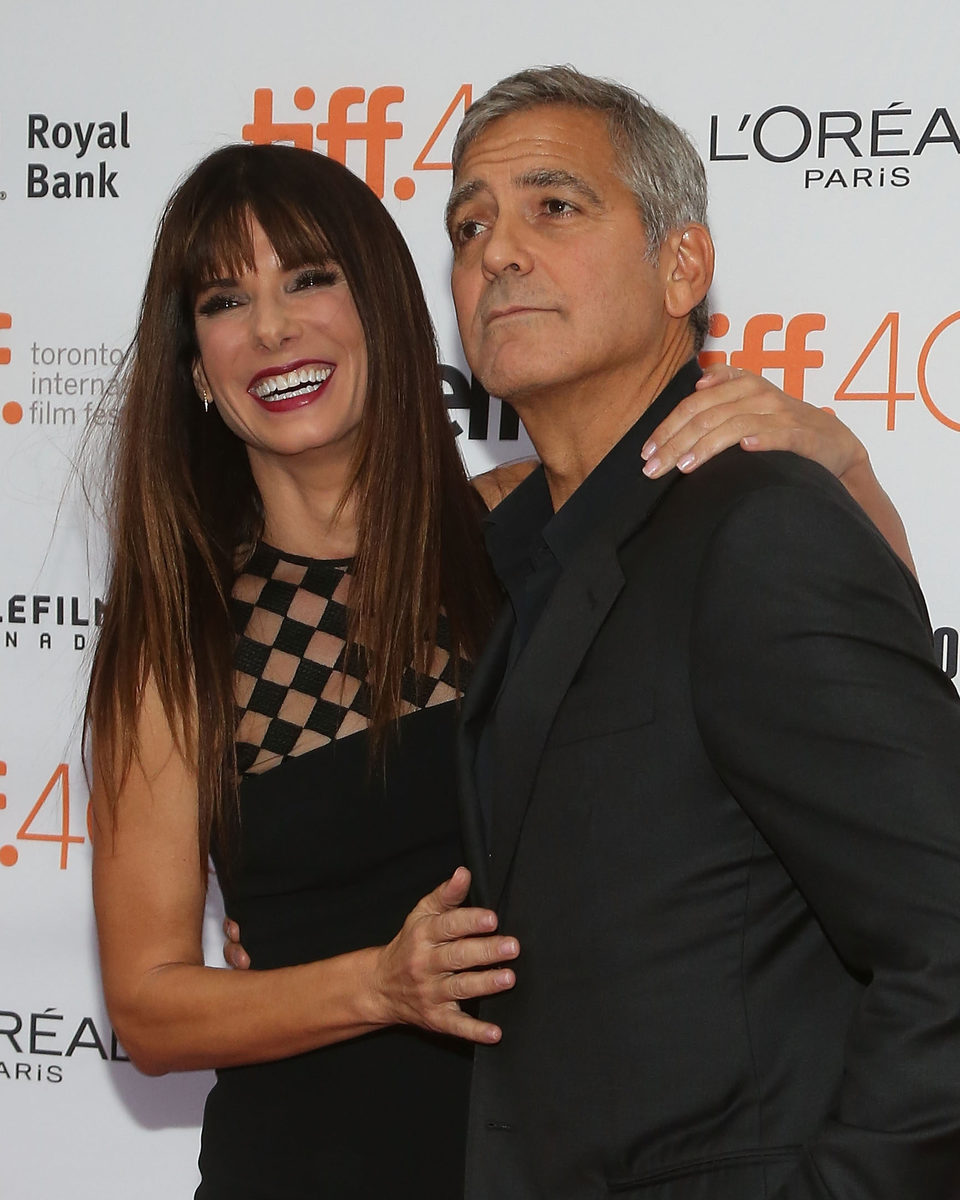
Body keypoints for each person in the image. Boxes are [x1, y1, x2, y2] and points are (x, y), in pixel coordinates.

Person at [88, 141, 910, 1200]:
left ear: (384, 307)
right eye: (223, 301)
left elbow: (850, 644)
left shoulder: (527, 522)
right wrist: (376, 985)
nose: (273, 328)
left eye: (308, 278)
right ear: (197, 366)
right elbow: (150, 1009)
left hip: (578, 1148)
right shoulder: (180, 636)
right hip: (314, 1164)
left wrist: (841, 457)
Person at [445, 67, 960, 1199]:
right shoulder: (530, 562)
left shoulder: (757, 527)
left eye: (554, 206)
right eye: (469, 224)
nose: (497, 250)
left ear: (682, 266)